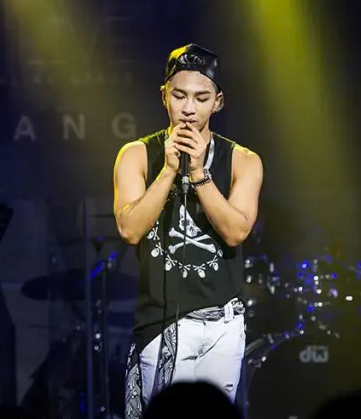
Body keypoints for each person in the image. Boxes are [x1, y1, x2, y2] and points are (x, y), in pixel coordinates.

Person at [113, 44, 263, 418]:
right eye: (179, 96)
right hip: (163, 322)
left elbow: (236, 232)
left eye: (201, 98)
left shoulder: (243, 160)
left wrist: (198, 173)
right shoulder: (136, 155)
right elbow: (130, 230)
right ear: (164, 96)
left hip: (223, 323)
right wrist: (168, 170)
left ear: (218, 102)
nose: (189, 109)